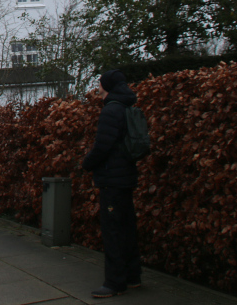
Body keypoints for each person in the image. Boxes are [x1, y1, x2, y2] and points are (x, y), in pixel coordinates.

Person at [81, 69, 142, 299]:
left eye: (100, 83)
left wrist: (87, 163)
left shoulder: (111, 110)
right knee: (127, 228)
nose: (98, 87)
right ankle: (133, 276)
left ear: (107, 86)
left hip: (111, 180)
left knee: (113, 231)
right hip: (126, 177)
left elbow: (103, 146)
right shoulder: (127, 107)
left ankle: (115, 283)